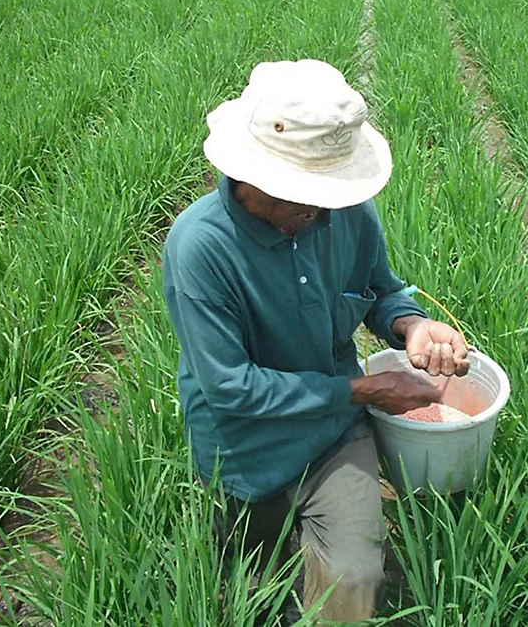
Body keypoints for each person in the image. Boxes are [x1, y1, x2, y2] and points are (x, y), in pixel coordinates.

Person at [162, 59, 470, 622]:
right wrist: (367, 390)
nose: (317, 208)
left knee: (353, 579)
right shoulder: (200, 248)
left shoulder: (343, 211)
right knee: (251, 586)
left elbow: (379, 291)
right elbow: (232, 389)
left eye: (324, 192)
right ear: (250, 175)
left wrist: (412, 325)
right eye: (300, 195)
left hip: (333, 434)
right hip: (244, 451)